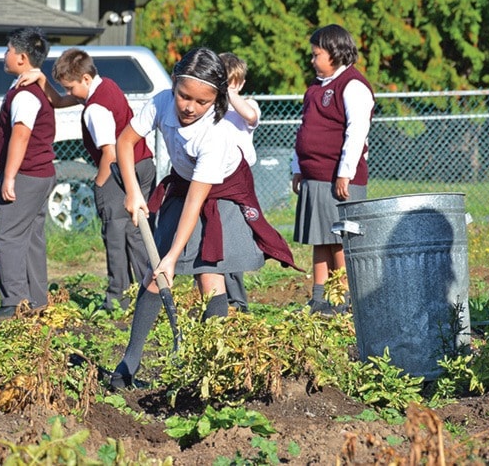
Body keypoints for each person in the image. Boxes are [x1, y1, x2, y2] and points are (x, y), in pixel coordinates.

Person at [107, 47, 300, 389]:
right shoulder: (161, 102)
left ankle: (216, 366)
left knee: (208, 272)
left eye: (201, 102)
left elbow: (196, 205)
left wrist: (172, 256)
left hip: (222, 190)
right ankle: (127, 367)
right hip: (185, 181)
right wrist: (133, 191)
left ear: (216, 99)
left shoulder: (216, 134)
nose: (189, 107)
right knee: (155, 275)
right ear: (174, 83)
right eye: (184, 96)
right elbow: (125, 142)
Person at [17, 48, 155, 311]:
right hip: (144, 163)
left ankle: (118, 299)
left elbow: (110, 153)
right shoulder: (108, 86)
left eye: (70, 87)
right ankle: (151, 292)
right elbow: (59, 101)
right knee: (136, 233)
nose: (69, 93)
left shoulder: (95, 108)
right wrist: (43, 80)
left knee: (115, 236)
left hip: (119, 170)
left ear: (86, 79)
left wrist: (100, 184)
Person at [291, 24, 375, 317]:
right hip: (314, 177)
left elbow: (356, 132)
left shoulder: (353, 85)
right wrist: (297, 167)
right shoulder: (314, 88)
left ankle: (344, 299)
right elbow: (305, 130)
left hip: (338, 180)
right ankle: (319, 298)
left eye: (317, 55)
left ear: (335, 53)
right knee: (320, 239)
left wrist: (345, 173)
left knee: (340, 240)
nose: (312, 60)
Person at [0, 27, 56, 321]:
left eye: (8, 50)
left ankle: (14, 302)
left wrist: (10, 176)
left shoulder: (25, 94)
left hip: (26, 174)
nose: (5, 54)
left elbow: (21, 135)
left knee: (4, 233)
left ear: (22, 57)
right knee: (29, 236)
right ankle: (36, 301)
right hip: (42, 173)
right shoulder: (35, 88)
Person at [218, 52, 262, 313]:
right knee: (216, 238)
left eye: (232, 84)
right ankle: (219, 297)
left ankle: (237, 301)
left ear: (240, 84)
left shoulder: (248, 104)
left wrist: (229, 94)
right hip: (214, 179)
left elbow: (250, 116)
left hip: (239, 181)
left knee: (234, 238)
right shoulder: (211, 107)